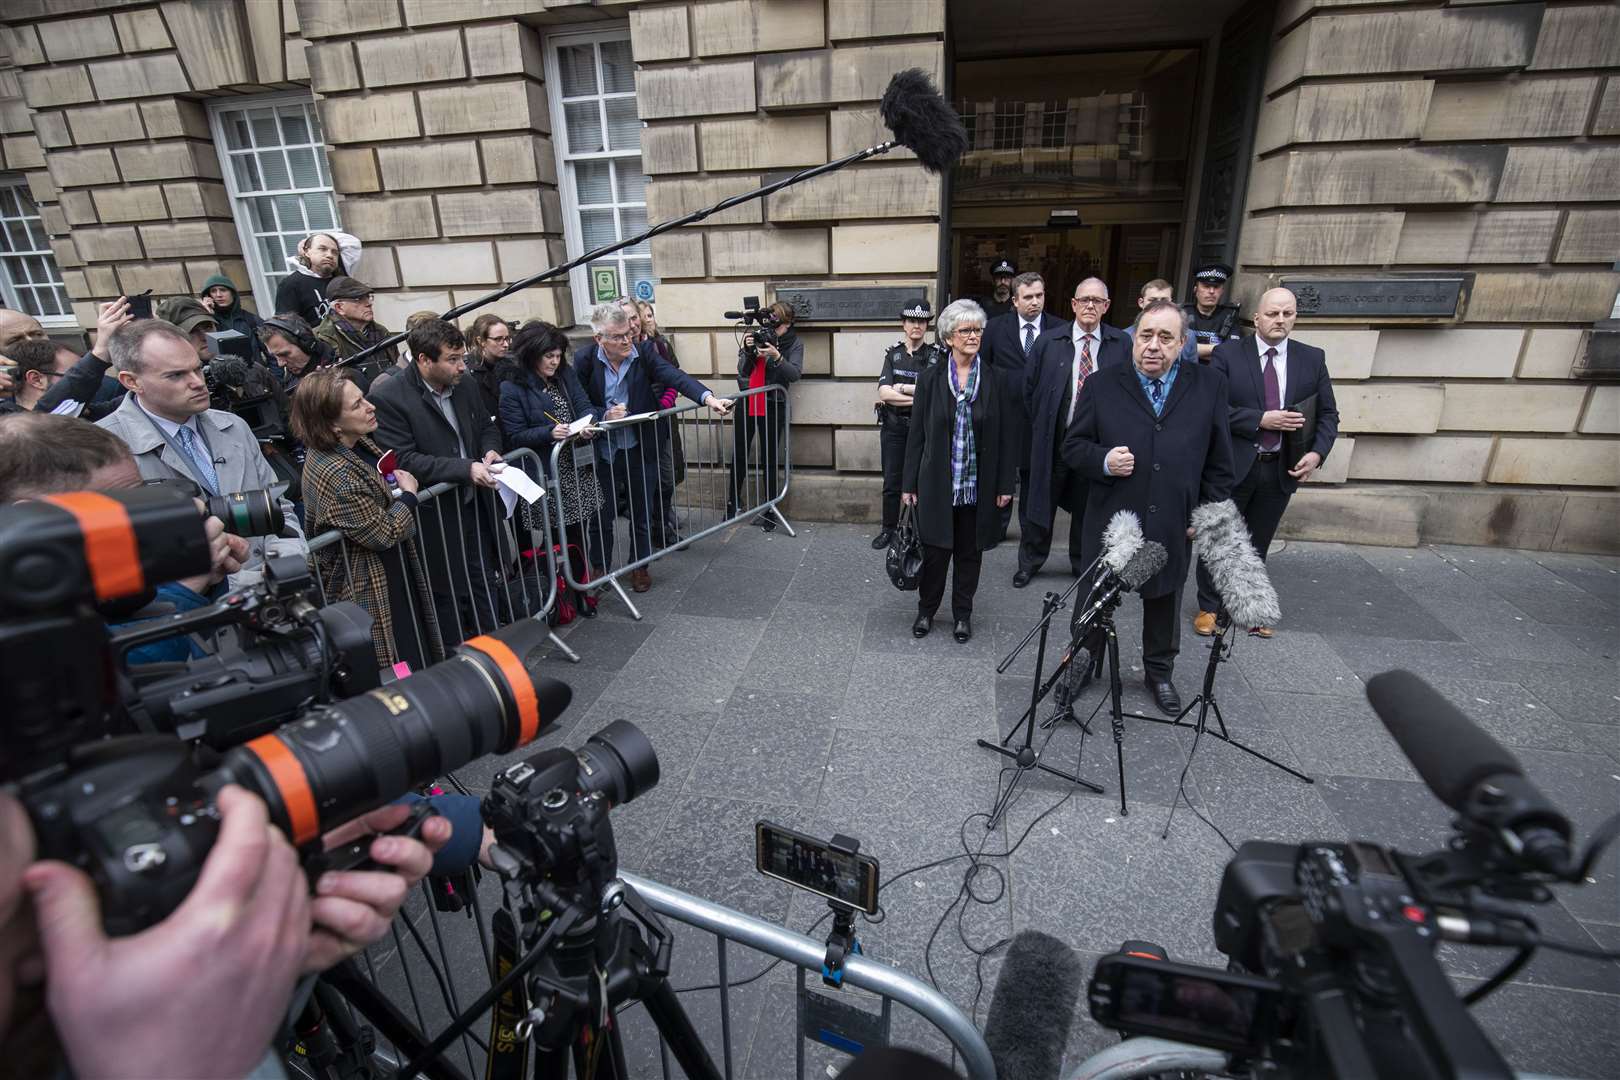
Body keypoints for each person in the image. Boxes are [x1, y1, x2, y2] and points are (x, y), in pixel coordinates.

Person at [1062, 300, 1234, 715]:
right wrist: (1104, 460)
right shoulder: (1102, 384)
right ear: (1132, 338)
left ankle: (1159, 672)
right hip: (1113, 522)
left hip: (1171, 519)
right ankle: (1083, 665)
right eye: (1145, 336)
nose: (1153, 346)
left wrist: (1206, 516)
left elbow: (1220, 464)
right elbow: (1073, 447)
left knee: (1164, 600)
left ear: (1181, 344)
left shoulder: (1207, 386)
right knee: (1095, 599)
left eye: (1165, 338)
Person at [96, 319, 308, 588]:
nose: (197, 383)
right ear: (131, 381)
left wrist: (285, 563)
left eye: (198, 369)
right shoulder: (104, 448)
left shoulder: (234, 426)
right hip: (196, 613)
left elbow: (279, 506)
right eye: (176, 375)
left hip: (269, 602)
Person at [1194, 287, 1339, 639]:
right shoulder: (1228, 355)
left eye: (1287, 314)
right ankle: (1209, 607)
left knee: (1259, 540)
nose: (1280, 320)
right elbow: (1212, 411)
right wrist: (1260, 419)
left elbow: (1328, 415)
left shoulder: (1312, 359)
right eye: (1273, 313)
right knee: (1221, 536)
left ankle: (1249, 606)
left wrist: (1316, 453)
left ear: (1295, 318)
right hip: (1235, 463)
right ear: (1257, 318)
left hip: (1280, 467)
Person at [368, 318, 520, 643]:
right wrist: (465, 469)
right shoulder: (390, 397)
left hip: (476, 503)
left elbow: (487, 427)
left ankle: (496, 653)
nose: (462, 366)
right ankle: (459, 661)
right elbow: (405, 459)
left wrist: (490, 451)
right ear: (424, 360)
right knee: (446, 591)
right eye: (452, 359)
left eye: (462, 357)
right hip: (436, 512)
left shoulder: (464, 385)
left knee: (483, 577)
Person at [293, 368, 444, 671]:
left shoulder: (354, 443)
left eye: (363, 398)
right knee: (392, 659)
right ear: (332, 424)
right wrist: (409, 496)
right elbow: (383, 532)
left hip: (389, 571)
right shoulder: (336, 474)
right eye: (357, 405)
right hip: (366, 582)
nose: (370, 406)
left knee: (413, 647)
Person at [574, 303, 732, 592]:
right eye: (618, 337)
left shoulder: (644, 354)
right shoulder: (584, 360)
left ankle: (640, 566)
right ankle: (599, 567)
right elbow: (578, 403)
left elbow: (676, 377)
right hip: (603, 451)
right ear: (599, 339)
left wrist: (708, 398)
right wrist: (603, 416)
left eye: (627, 334)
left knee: (642, 511)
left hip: (639, 445)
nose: (626, 340)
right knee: (602, 514)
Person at [901, 299, 1017, 644]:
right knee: (935, 552)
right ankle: (926, 610)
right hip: (937, 482)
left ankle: (962, 615)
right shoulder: (930, 379)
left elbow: (1007, 436)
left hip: (978, 486)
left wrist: (1005, 483)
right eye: (965, 330)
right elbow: (917, 436)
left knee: (970, 553)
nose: (973, 336)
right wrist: (908, 484)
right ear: (949, 336)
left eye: (977, 330)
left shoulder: (996, 379)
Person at [1016, 278, 1132, 588]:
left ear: (1106, 307)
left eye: (1097, 301)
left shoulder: (1121, 345)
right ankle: (1030, 562)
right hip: (1054, 441)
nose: (1090, 306)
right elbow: (1029, 391)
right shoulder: (1049, 342)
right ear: (1073, 304)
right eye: (1084, 300)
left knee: (1087, 508)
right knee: (1041, 504)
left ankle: (1082, 564)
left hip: (1094, 446)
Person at [499, 324, 604, 617]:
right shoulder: (513, 386)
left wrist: (588, 426)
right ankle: (555, 594)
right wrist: (548, 432)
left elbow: (585, 407)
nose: (554, 361)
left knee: (579, 535)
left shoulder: (565, 376)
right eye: (548, 356)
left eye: (558, 355)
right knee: (555, 538)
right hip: (545, 473)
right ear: (532, 355)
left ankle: (581, 590)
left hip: (575, 468)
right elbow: (515, 435)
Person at [982, 271, 1062, 539]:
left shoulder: (1059, 330)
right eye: (1028, 297)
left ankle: (1030, 537)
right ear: (1015, 300)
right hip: (1004, 416)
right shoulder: (994, 328)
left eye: (1039, 295)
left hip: (1041, 418)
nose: (1035, 302)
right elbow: (983, 369)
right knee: (1000, 473)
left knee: (1033, 479)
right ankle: (996, 530)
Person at [872, 298, 942, 550]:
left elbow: (937, 393)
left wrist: (903, 388)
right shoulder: (893, 354)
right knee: (891, 482)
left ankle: (916, 529)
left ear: (927, 326)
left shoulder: (937, 356)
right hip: (894, 427)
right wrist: (918, 397)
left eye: (922, 321)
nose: (917, 326)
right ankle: (888, 529)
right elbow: (884, 393)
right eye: (912, 320)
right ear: (904, 324)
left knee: (921, 483)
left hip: (922, 429)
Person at [729, 300, 802, 531]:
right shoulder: (757, 337)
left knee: (769, 458)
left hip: (773, 404)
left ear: (788, 324)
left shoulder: (794, 343)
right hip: (748, 401)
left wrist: (777, 356)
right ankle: (732, 503)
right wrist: (749, 350)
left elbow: (794, 374)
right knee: (739, 452)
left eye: (778, 325)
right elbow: (742, 370)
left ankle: (770, 509)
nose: (773, 330)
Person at [0, 300, 133, 420]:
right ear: (35, 379)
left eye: (37, 334)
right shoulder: (12, 424)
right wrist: (99, 355)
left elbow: (131, 404)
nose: (31, 343)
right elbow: (41, 422)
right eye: (15, 340)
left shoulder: (106, 388)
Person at [637, 299, 685, 546]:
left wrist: (665, 404)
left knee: (669, 473)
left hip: (664, 416)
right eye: (641, 316)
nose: (647, 319)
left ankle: (664, 519)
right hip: (643, 420)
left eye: (649, 314)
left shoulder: (660, 345)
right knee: (650, 480)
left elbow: (674, 377)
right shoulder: (631, 350)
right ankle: (657, 529)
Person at [314, 275, 398, 385]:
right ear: (339, 307)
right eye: (358, 299)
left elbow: (397, 368)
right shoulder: (322, 338)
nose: (369, 303)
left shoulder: (381, 332)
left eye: (368, 297)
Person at [275, 229, 359, 327]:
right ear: (306, 252)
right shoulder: (291, 284)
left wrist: (314, 239)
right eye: (322, 249)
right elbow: (287, 327)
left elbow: (354, 243)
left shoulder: (341, 279)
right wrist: (309, 241)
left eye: (335, 252)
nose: (329, 255)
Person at [257, 313, 335, 397]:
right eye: (274, 356)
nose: (280, 364)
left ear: (307, 343)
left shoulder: (344, 360)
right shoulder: (290, 386)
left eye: (284, 354)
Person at [1183, 261, 1241, 362]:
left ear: (1222, 291)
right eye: (1206, 286)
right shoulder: (1182, 313)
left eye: (1216, 287)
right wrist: (1219, 350)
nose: (1211, 291)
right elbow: (1176, 349)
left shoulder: (1230, 315)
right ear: (1195, 290)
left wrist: (1191, 349)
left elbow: (1233, 351)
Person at [1131, 279, 1198, 366]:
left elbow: (1192, 372)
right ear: (1141, 302)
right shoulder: (1125, 336)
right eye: (1153, 300)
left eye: (1164, 301)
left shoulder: (1189, 336)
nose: (1158, 305)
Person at [468, 313, 514, 412]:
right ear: (481, 341)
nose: (506, 344)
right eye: (498, 339)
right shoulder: (468, 372)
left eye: (507, 338)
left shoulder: (511, 367)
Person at [198, 272, 262, 341]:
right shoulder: (206, 321)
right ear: (208, 296)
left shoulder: (251, 320)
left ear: (232, 293)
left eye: (223, 290)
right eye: (213, 291)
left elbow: (271, 347)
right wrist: (206, 315)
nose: (219, 295)